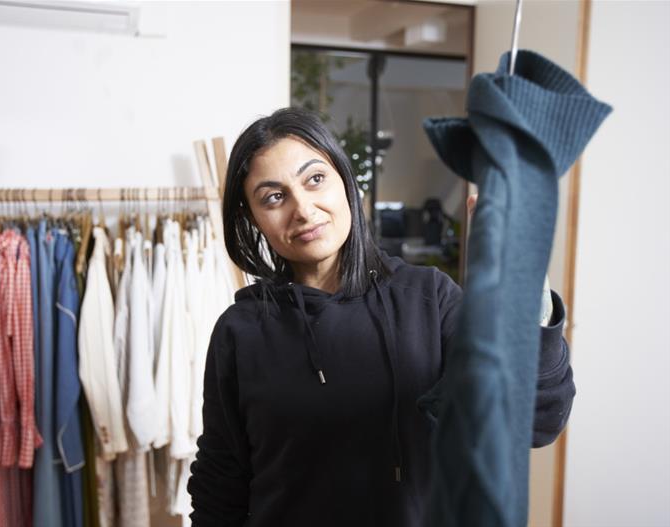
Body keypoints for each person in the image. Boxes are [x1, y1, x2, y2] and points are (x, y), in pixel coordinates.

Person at [187, 107, 575, 526]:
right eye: (274, 197)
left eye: (315, 179)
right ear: (252, 219)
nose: (302, 208)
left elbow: (534, 416)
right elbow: (220, 481)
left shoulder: (429, 299)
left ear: (344, 182)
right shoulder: (241, 331)